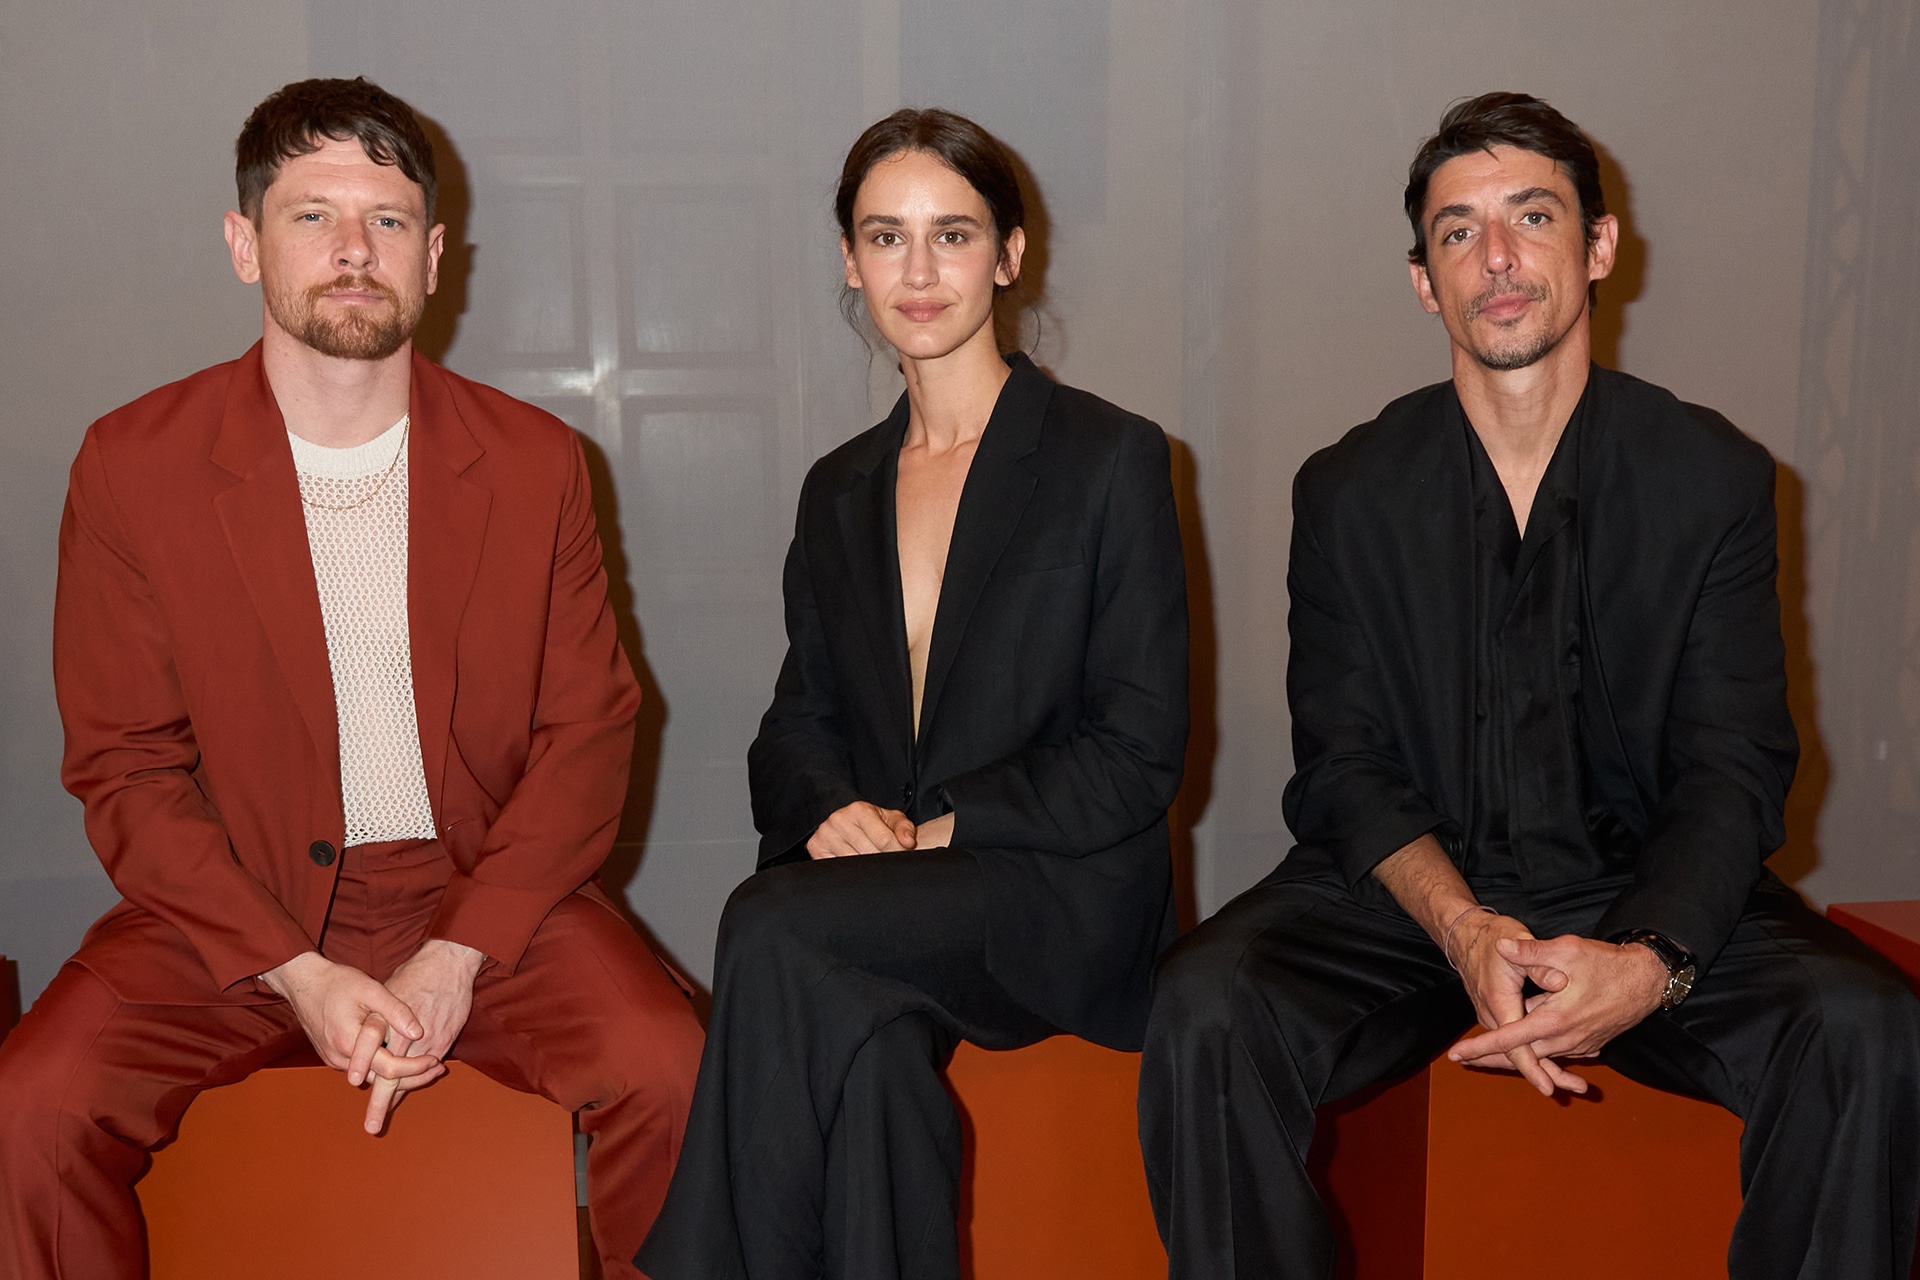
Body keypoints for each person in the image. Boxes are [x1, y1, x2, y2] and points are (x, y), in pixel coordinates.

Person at [1139, 91, 1920, 1279]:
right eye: (1458, 231)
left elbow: (1733, 764)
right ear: (1424, 282)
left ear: (1598, 246)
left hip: (1640, 886)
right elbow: (1344, 766)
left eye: (1532, 216)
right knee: (1207, 1008)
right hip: (1413, 904)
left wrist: (1649, 957)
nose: (1496, 256)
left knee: (1863, 1026)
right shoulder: (1347, 490)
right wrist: (1461, 927)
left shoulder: (1710, 475)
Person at [0, 77, 702, 1280]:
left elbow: (589, 731)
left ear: (433, 255)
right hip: (230, 905)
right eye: (312, 215)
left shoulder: (535, 461)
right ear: (244, 244)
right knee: (34, 1106)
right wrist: (298, 970)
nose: (353, 250)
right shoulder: (132, 463)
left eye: (386, 220)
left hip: (483, 890)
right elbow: (125, 767)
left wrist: (458, 951)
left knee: (670, 1065)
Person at [637, 107, 1189, 1280]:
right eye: (887, 237)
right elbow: (795, 725)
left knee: (770, 922)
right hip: (889, 902)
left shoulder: (1110, 457)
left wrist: (943, 826)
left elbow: (1140, 747)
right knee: (869, 1047)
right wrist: (832, 808)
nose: (920, 270)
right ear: (851, 260)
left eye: (954, 234)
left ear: (1010, 253)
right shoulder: (837, 487)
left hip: (1053, 892)